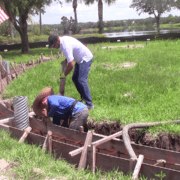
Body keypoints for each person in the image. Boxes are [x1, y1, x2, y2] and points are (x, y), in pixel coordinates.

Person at [48, 35, 94, 109]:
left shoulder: (65, 45)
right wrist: (66, 60)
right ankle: (83, 97)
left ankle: (89, 104)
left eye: (54, 45)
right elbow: (70, 54)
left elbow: (71, 64)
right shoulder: (63, 42)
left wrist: (63, 75)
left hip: (85, 58)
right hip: (80, 59)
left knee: (81, 80)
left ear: (57, 41)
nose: (54, 47)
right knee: (75, 78)